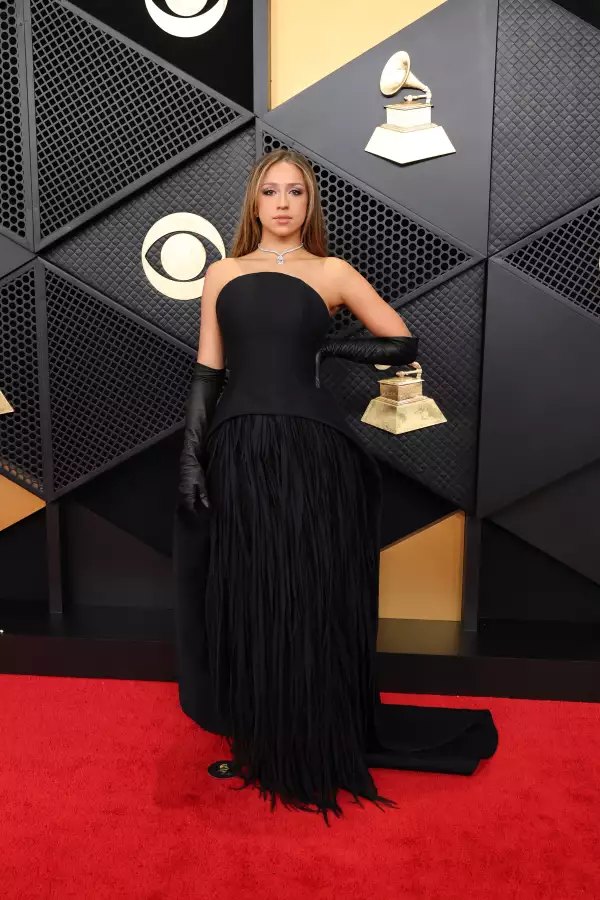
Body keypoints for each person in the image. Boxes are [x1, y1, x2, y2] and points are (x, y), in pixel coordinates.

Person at [172, 148, 498, 826]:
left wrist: (330, 351)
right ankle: (260, 741)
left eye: (295, 192)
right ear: (255, 203)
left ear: (308, 204)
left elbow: (401, 342)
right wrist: (190, 461)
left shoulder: (334, 272)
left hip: (315, 449)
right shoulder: (222, 272)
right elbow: (207, 372)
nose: (284, 202)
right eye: (271, 191)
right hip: (239, 446)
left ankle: (312, 742)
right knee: (253, 593)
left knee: (307, 593)